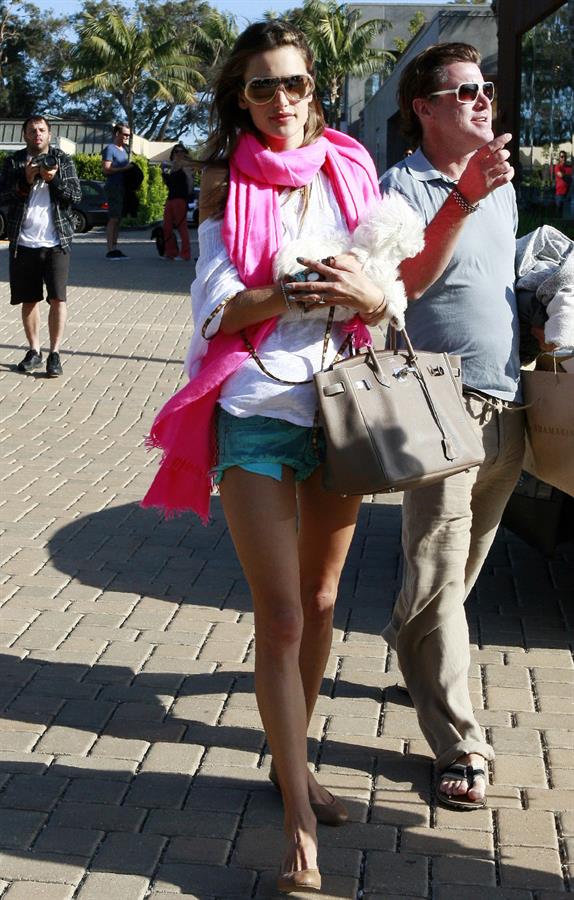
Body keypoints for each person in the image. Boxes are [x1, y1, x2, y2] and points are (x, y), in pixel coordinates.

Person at [142, 20, 390, 893]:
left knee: (323, 601)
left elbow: (392, 287)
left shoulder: (354, 171)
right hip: (255, 405)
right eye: (259, 88)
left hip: (345, 406)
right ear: (239, 100)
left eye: (291, 83)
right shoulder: (223, 182)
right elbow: (214, 310)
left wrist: (370, 291)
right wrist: (286, 292)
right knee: (281, 616)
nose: (279, 101)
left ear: (313, 86)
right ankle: (295, 820)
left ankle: (296, 763)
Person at [380, 43, 525, 811]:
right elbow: (395, 284)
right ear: (425, 109)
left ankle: (418, 656)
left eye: (487, 88)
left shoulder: (500, 183)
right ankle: (460, 742)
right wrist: (460, 198)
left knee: (459, 569)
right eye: (464, 91)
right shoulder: (401, 187)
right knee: (438, 577)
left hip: (507, 403)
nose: (482, 100)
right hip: (436, 402)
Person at [0, 114, 81, 378]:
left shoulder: (62, 160)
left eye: (42, 130)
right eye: (32, 130)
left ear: (49, 134)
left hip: (57, 241)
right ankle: (34, 351)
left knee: (58, 298)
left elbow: (74, 196)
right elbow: (3, 195)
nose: (38, 134)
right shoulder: (13, 161)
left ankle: (55, 353)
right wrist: (24, 179)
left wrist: (52, 179)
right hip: (23, 242)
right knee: (29, 299)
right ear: (24, 135)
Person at [102, 123, 131, 259]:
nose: (127, 137)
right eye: (125, 134)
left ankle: (115, 247)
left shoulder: (124, 150)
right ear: (117, 134)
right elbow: (106, 170)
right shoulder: (110, 149)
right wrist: (124, 169)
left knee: (118, 219)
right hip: (113, 187)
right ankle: (110, 250)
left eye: (128, 135)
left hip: (122, 187)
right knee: (113, 218)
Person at [160, 144, 193, 261]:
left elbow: (190, 183)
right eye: (176, 152)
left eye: (181, 151)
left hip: (180, 199)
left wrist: (189, 197)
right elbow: (170, 184)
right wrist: (164, 174)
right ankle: (171, 252)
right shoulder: (172, 168)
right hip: (171, 199)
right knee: (167, 227)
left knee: (182, 227)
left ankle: (185, 254)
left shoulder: (186, 167)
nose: (178, 154)